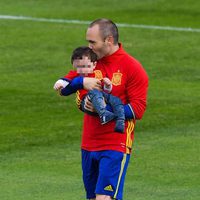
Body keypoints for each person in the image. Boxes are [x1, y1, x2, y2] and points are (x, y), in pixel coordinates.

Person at [55, 19, 148, 200]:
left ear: (109, 40)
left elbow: (138, 109)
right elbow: (63, 89)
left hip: (116, 143)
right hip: (89, 143)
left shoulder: (132, 68)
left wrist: (107, 110)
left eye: (93, 42)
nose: (88, 47)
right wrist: (82, 88)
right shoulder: (89, 62)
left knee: (104, 198)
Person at [54, 46, 125, 133]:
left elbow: (106, 90)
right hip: (86, 99)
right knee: (94, 93)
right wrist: (59, 83)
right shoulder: (75, 74)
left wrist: (107, 85)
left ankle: (120, 121)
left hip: (101, 96)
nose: (83, 70)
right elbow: (65, 80)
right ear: (74, 65)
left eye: (86, 66)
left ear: (94, 65)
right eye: (79, 66)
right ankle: (104, 115)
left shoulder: (98, 73)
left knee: (116, 101)